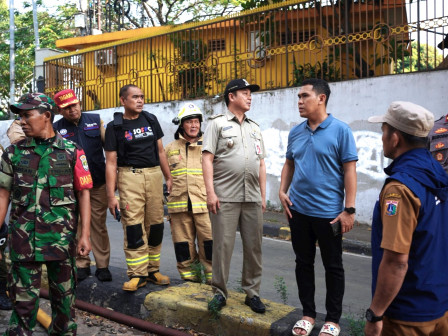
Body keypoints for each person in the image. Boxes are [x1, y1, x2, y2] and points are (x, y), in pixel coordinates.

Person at [0, 93, 92, 334]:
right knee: (22, 306)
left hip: (61, 243)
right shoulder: (12, 153)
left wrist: (85, 235)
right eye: (20, 116)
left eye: (27, 115)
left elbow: (84, 194)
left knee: (64, 304)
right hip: (22, 243)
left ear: (47, 116)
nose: (22, 121)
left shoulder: (72, 151)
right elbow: (2, 196)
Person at [279, 78, 358, 336]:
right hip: (298, 212)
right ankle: (308, 314)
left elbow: (350, 170)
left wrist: (349, 209)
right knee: (303, 263)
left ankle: (333, 320)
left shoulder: (340, 130)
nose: (299, 102)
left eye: (304, 96)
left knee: (333, 266)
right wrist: (282, 191)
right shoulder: (296, 132)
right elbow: (289, 163)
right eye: (298, 97)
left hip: (330, 216)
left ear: (321, 98)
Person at [364, 101, 448, 336]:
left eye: (383, 130)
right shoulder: (436, 172)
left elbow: (396, 261)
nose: (382, 137)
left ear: (395, 138)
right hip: (439, 304)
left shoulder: (400, 189)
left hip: (407, 315)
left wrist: (376, 314)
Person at [202, 78, 267, 314]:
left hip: (251, 196)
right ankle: (219, 293)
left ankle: (252, 293)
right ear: (232, 96)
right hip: (225, 195)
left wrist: (263, 195)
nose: (250, 97)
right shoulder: (217, 124)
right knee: (222, 246)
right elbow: (207, 158)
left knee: (254, 247)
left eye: (250, 93)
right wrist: (210, 192)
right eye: (245, 93)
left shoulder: (255, 127)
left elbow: (261, 164)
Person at [105, 84, 172, 291]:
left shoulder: (151, 120)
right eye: (135, 97)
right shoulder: (115, 127)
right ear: (123, 100)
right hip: (129, 177)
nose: (140, 100)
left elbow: (161, 152)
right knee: (134, 226)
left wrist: (168, 178)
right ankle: (137, 274)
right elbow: (111, 163)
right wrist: (111, 196)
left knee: (156, 224)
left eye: (142, 96)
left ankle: (152, 271)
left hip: (153, 175)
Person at [53, 89, 112, 282]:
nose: (72, 110)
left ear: (80, 103)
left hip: (97, 183)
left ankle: (103, 265)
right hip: (71, 186)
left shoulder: (96, 121)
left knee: (98, 225)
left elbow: (109, 152)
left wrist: (114, 179)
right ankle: (82, 264)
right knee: (75, 224)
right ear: (60, 111)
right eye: (67, 108)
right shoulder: (56, 129)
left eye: (74, 105)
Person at [165, 103, 213, 283]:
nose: (194, 125)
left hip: (204, 205)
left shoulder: (208, 147)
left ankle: (212, 284)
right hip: (179, 207)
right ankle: (190, 283)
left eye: (196, 122)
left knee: (209, 246)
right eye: (189, 122)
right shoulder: (169, 148)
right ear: (181, 125)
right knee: (183, 248)